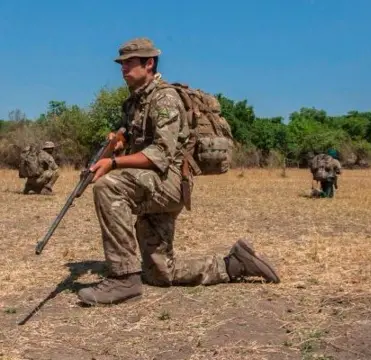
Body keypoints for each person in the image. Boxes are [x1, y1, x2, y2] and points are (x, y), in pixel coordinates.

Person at [76, 37, 280, 306]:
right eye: (121, 64)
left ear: (149, 64)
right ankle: (234, 264)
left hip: (168, 183)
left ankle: (123, 280)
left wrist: (113, 164)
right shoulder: (133, 104)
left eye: (129, 63)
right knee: (161, 273)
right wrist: (119, 143)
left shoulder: (164, 98)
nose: (123, 69)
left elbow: (161, 155)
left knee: (109, 186)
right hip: (150, 183)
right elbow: (136, 140)